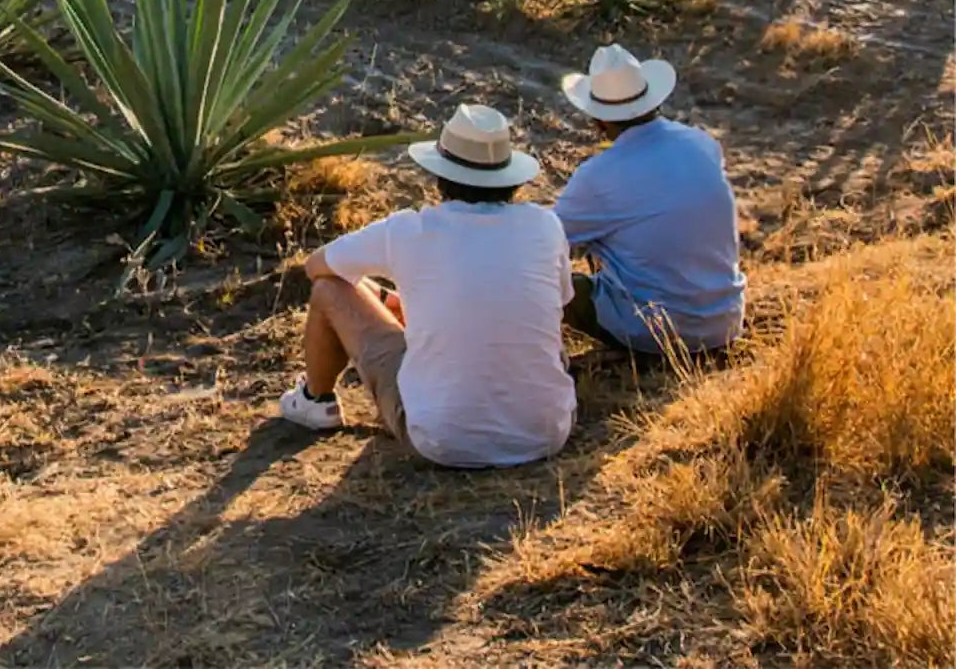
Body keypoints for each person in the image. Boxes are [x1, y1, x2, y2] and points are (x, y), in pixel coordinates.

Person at [278, 104, 576, 469]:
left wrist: (380, 295)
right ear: (508, 176)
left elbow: (316, 266)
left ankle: (314, 400)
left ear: (441, 176)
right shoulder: (544, 226)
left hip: (442, 440)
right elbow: (557, 303)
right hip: (547, 433)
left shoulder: (410, 230)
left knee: (328, 289)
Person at [555, 44, 745, 356]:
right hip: (725, 323)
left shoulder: (599, 175)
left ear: (598, 121)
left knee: (555, 284)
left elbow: (545, 242)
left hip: (655, 333)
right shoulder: (702, 143)